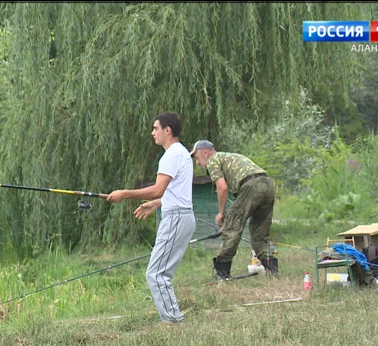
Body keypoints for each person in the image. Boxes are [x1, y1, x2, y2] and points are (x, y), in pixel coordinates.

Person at [107, 112, 195, 323]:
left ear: (168, 130)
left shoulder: (171, 155)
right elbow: (173, 192)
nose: (152, 132)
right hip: (182, 216)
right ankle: (173, 320)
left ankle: (173, 323)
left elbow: (158, 189)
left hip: (175, 219)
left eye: (155, 128)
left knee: (156, 274)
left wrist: (124, 194)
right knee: (160, 273)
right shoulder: (182, 153)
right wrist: (156, 204)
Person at [189, 140, 277, 280]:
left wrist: (221, 213)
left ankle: (222, 272)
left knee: (231, 228)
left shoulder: (213, 160)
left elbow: (222, 187)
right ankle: (272, 270)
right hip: (268, 184)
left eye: (197, 158)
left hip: (251, 186)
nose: (198, 163)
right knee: (260, 233)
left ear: (205, 153)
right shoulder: (229, 156)